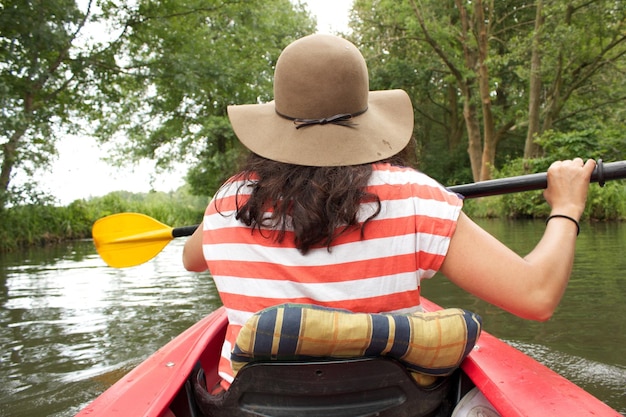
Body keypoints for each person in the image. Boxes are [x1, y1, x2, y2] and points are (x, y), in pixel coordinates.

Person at [182, 34, 596, 388]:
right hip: (392, 408)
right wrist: (567, 206)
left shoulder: (228, 202)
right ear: (365, 117)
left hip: (254, 408)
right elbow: (536, 296)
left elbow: (192, 259)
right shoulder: (416, 197)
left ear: (275, 122)